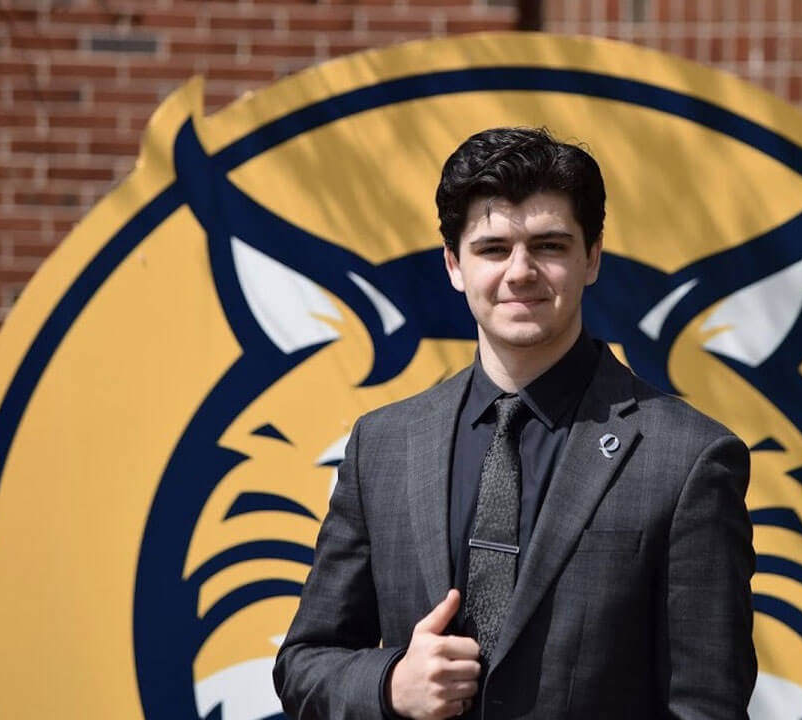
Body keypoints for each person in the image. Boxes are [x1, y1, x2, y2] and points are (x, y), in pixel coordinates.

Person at [273, 127, 756, 719]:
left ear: (593, 257)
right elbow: (303, 663)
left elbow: (706, 707)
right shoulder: (383, 446)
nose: (521, 271)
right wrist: (390, 684)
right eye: (493, 248)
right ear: (454, 264)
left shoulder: (688, 458)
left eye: (550, 246)